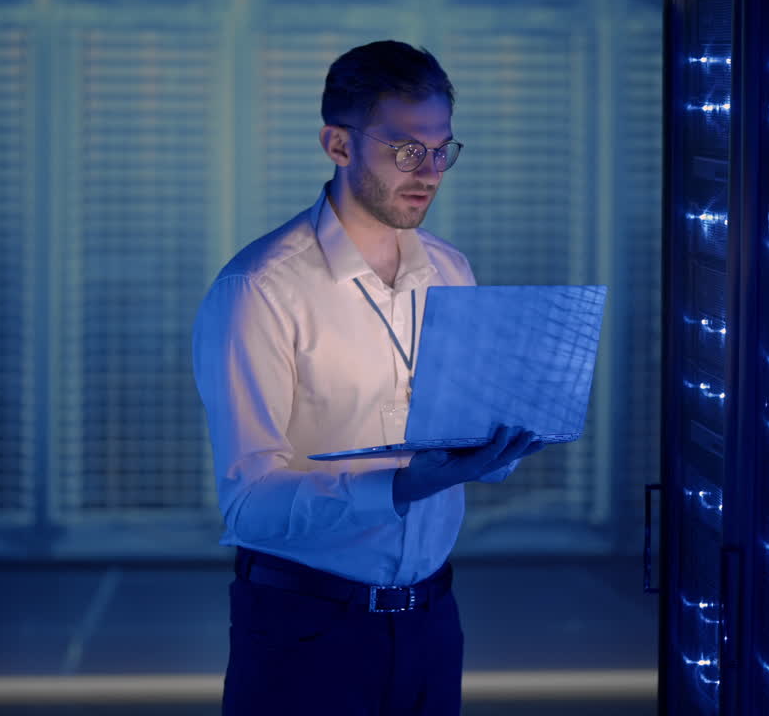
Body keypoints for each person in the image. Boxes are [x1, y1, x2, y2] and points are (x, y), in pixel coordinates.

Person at [191, 40, 544, 715]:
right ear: (338, 144)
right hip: (305, 627)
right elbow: (247, 504)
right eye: (406, 149)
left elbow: (465, 441)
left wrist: (496, 448)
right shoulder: (260, 289)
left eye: (441, 149)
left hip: (432, 620)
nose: (430, 172)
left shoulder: (450, 270)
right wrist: (404, 485)